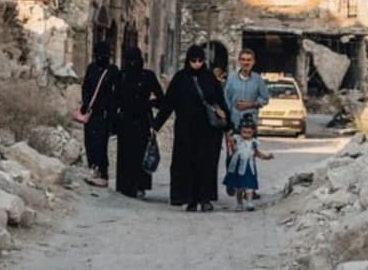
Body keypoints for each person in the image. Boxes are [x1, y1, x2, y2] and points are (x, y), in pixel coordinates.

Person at [153, 45, 232, 212]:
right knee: (186, 164)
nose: (196, 64)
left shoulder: (210, 78)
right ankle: (189, 199)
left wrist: (229, 126)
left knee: (206, 164)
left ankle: (205, 199)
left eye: (200, 60)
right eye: (193, 60)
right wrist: (156, 125)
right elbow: (168, 104)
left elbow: (220, 102)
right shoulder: (180, 79)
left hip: (208, 131)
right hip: (186, 130)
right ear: (188, 61)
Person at [114, 47, 164, 199]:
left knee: (140, 153)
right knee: (126, 153)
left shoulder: (147, 76)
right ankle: (125, 186)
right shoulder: (121, 76)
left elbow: (161, 98)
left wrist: (149, 104)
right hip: (125, 120)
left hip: (142, 121)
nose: (132, 64)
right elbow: (115, 98)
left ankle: (140, 186)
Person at [81, 41, 120, 187]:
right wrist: (86, 103)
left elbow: (117, 93)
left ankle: (103, 174)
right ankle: (94, 169)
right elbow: (86, 87)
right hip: (92, 113)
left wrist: (113, 113)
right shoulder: (91, 68)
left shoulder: (113, 71)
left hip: (105, 114)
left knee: (101, 144)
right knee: (90, 142)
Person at [223, 115, 274, 211]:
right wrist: (231, 140)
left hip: (249, 167)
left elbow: (257, 153)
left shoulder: (254, 143)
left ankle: (249, 202)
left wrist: (267, 157)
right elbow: (234, 149)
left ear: (253, 132)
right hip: (237, 166)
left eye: (249, 133)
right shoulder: (237, 140)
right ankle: (239, 203)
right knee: (239, 187)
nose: (246, 135)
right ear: (240, 131)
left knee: (249, 185)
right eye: (244, 132)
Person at [224, 48, 270, 132]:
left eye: (249, 60)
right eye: (243, 60)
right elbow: (226, 100)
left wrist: (250, 104)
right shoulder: (231, 79)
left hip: (251, 125)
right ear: (239, 61)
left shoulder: (258, 79)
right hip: (234, 123)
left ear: (253, 62)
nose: (246, 63)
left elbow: (265, 98)